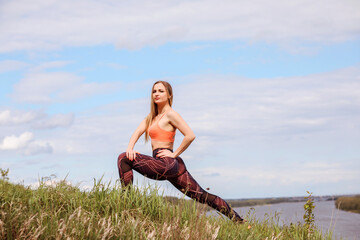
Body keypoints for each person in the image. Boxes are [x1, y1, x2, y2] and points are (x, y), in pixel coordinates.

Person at [117, 81, 245, 223]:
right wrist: (130, 147)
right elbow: (137, 132)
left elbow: (190, 135)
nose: (156, 94)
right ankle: (239, 222)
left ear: (169, 95)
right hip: (171, 165)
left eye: (161, 91)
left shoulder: (171, 114)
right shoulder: (151, 117)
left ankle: (126, 208)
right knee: (202, 195)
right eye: (154, 91)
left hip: (167, 162)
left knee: (123, 159)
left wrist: (174, 154)